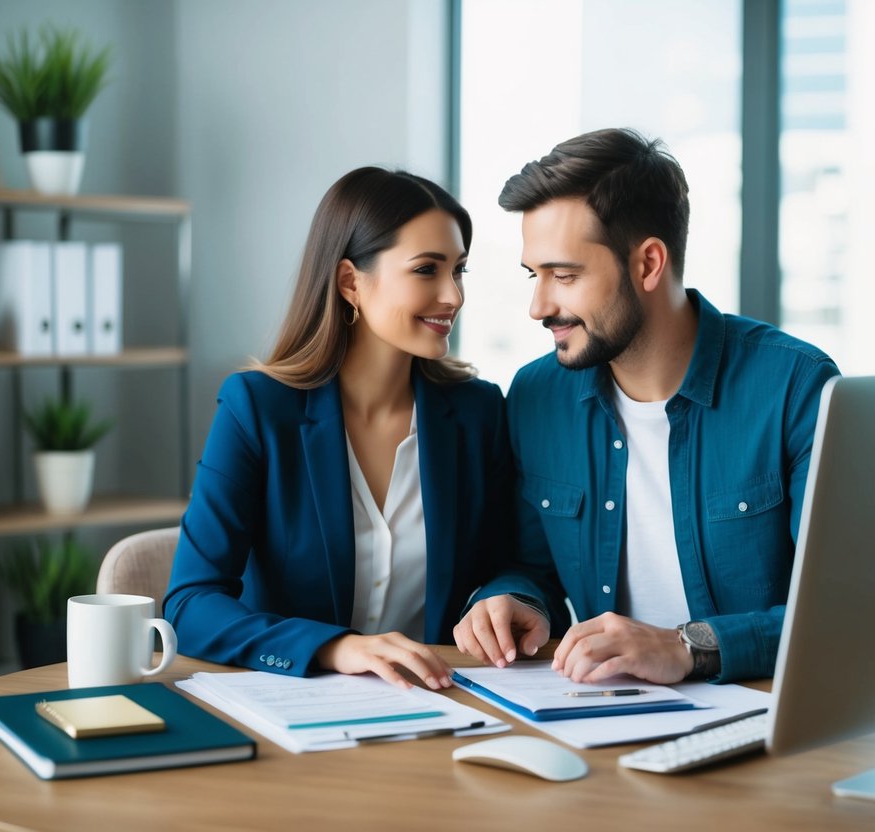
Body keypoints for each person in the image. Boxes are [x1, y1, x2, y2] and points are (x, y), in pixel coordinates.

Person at [453, 128, 840, 685]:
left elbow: (839, 608)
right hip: (599, 717)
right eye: (533, 275)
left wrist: (689, 647)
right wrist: (513, 599)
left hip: (767, 722)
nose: (539, 306)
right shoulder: (537, 396)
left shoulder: (796, 387)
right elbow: (528, 564)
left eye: (564, 275)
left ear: (648, 264)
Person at [165, 167, 512, 691]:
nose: (453, 295)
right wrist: (334, 647)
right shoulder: (257, 408)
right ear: (351, 281)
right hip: (299, 710)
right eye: (426, 270)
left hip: (442, 706)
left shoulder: (478, 412)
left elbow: (511, 564)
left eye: (459, 271)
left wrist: (505, 596)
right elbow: (190, 603)